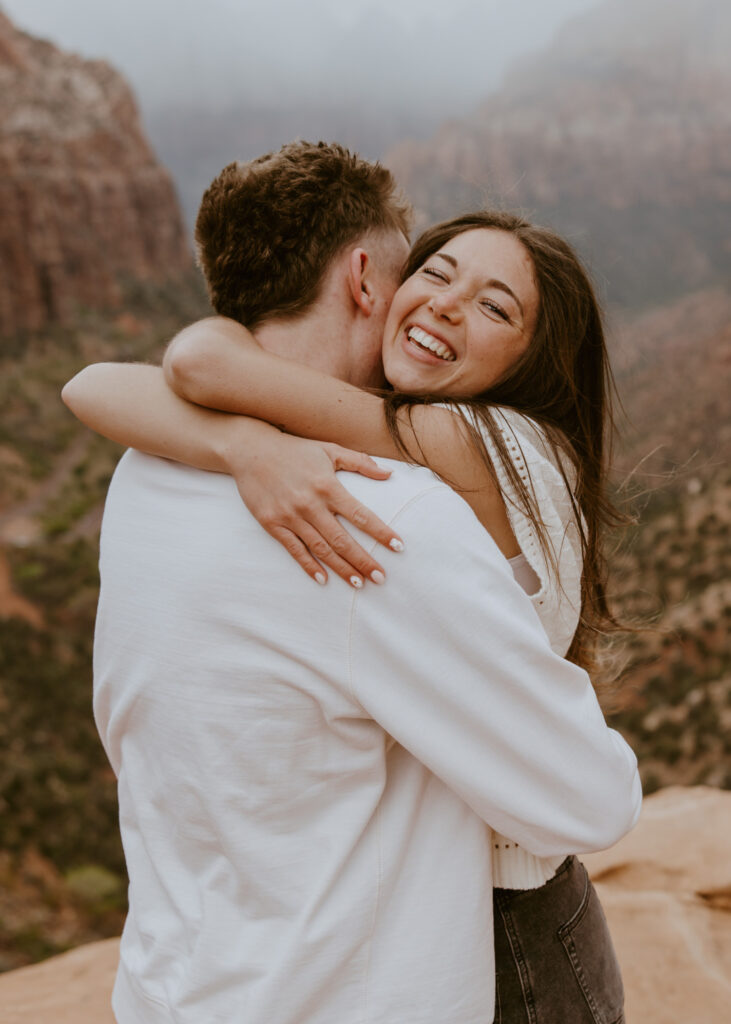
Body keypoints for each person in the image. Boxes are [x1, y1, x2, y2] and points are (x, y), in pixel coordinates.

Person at [63, 141, 640, 1024]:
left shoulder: (146, 468)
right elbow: (590, 799)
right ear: (369, 279)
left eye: (491, 305)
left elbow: (175, 370)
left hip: (179, 981)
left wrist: (237, 439)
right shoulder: (379, 514)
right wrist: (245, 443)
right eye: (432, 271)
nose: (442, 304)